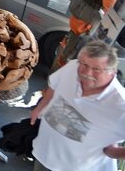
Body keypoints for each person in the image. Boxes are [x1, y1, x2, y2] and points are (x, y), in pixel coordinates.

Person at [31, 40, 125, 171]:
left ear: (112, 72)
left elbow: (112, 149)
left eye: (96, 69)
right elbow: (54, 85)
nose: (87, 72)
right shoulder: (72, 67)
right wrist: (40, 107)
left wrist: (116, 153)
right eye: (84, 64)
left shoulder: (121, 106)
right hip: (44, 153)